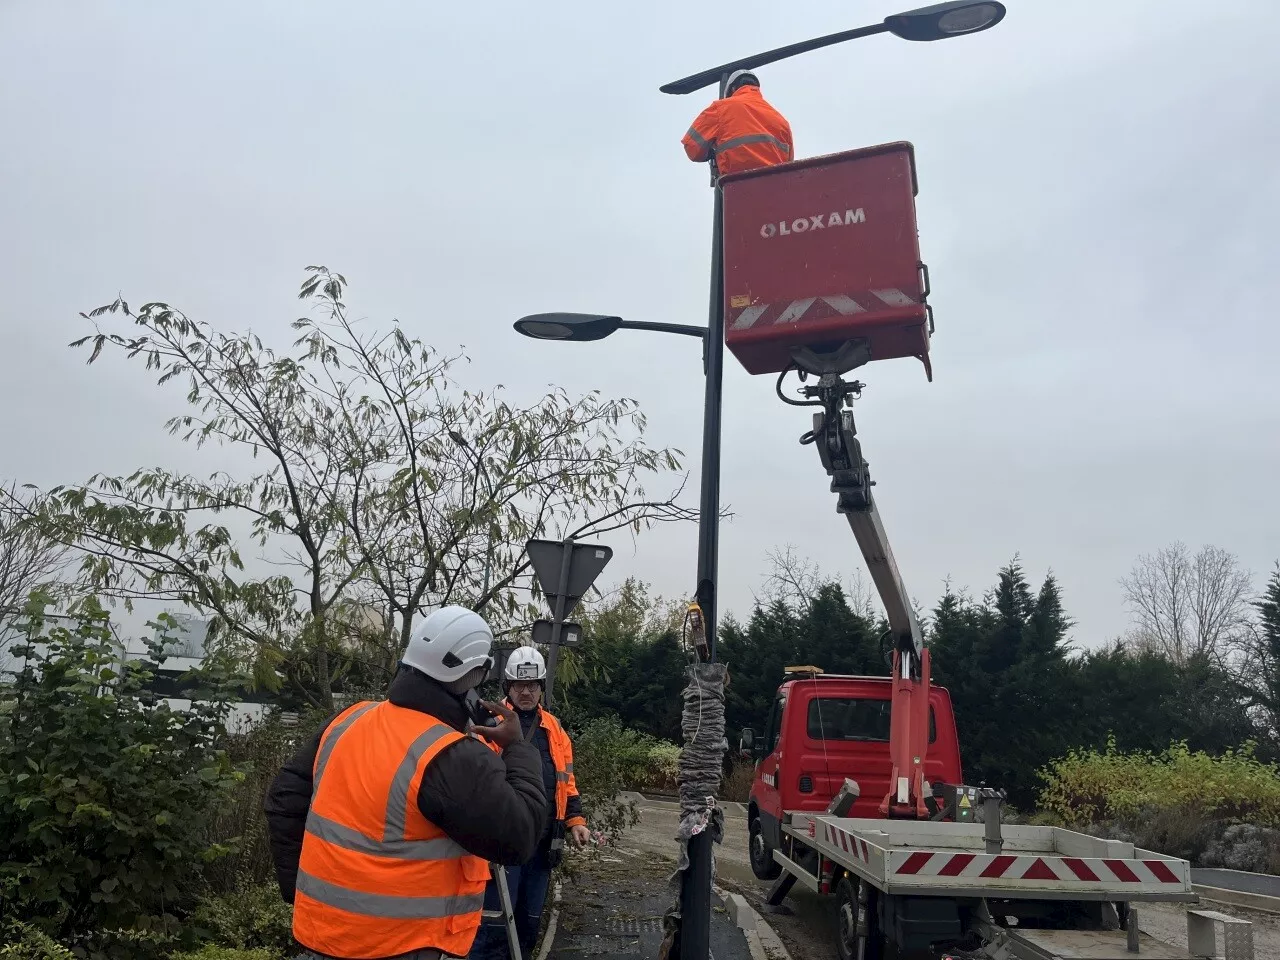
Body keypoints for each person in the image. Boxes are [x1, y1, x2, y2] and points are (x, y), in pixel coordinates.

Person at [264, 606, 547, 960]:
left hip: (320, 937)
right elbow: (520, 836)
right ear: (475, 675)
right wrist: (518, 748)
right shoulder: (451, 756)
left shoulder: (348, 720)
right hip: (406, 945)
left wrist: (301, 892)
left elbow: (283, 800)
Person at [467, 647, 591, 960]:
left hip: (543, 841)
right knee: (494, 924)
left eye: (533, 685)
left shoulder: (555, 728)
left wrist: (576, 822)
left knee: (528, 923)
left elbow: (566, 783)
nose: (526, 691)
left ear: (541, 688)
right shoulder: (489, 723)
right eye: (519, 686)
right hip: (503, 839)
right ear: (508, 687)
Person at [682, 69, 794, 177]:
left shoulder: (720, 108)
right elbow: (790, 164)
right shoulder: (781, 121)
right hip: (776, 187)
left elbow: (691, 146)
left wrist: (711, 154)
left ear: (733, 89)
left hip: (736, 185)